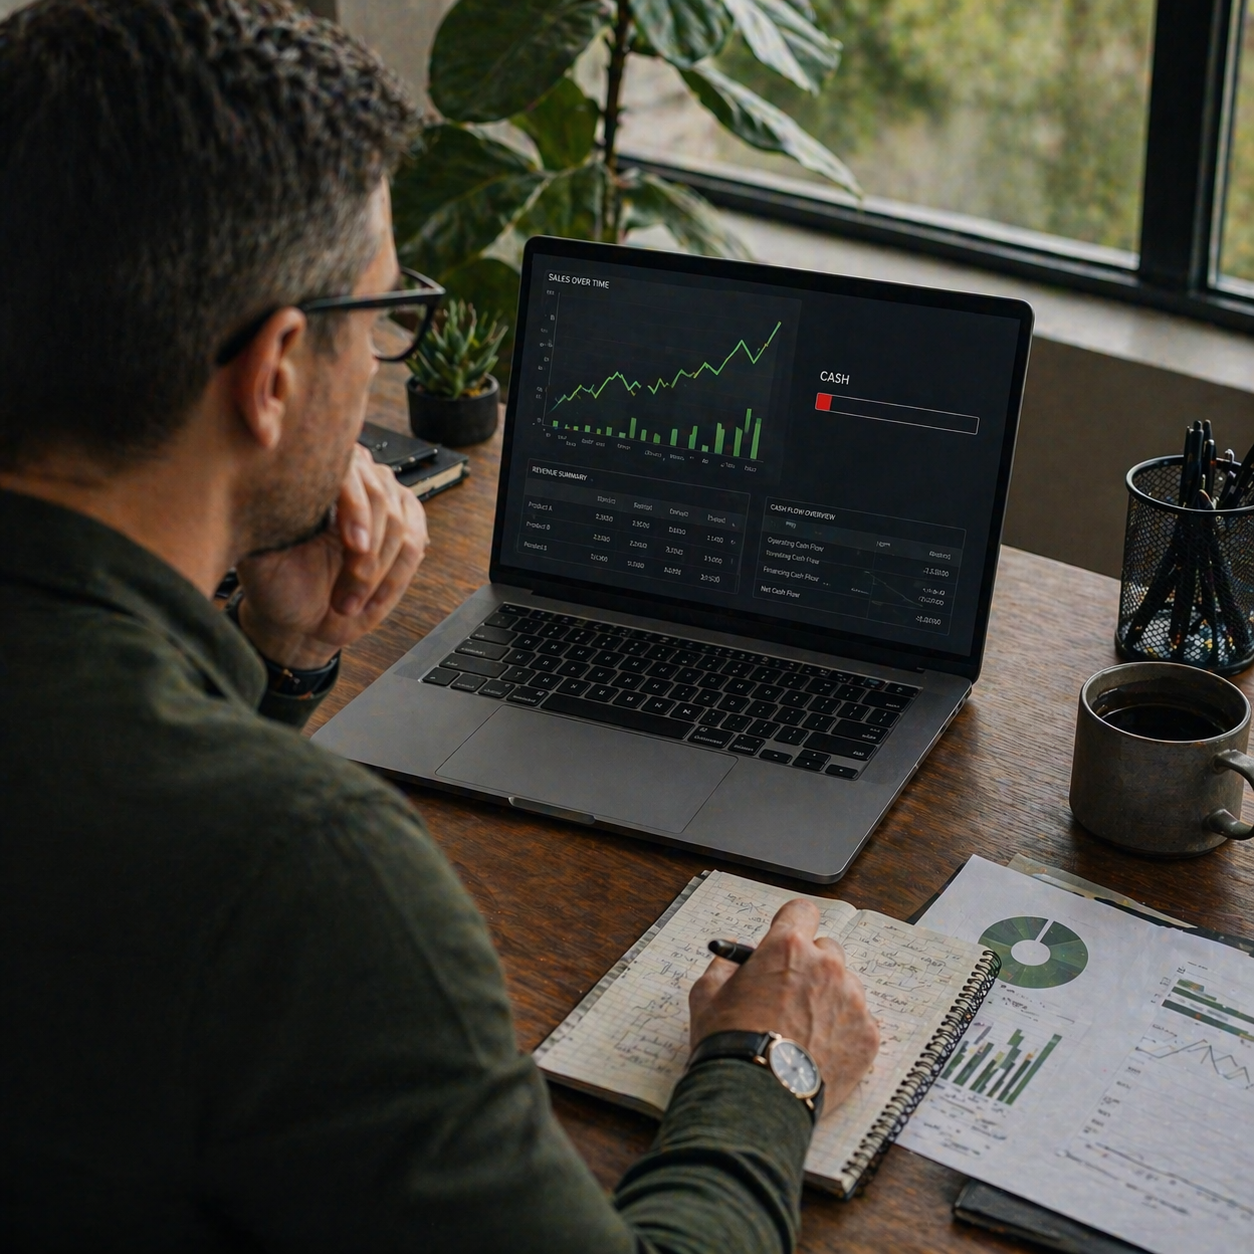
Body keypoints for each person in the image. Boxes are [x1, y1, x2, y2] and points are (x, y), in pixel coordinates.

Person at [0, 2, 880, 1250]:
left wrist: (277, 662)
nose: (384, 363)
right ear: (276, 372)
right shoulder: (309, 873)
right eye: (383, 313)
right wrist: (768, 1065)